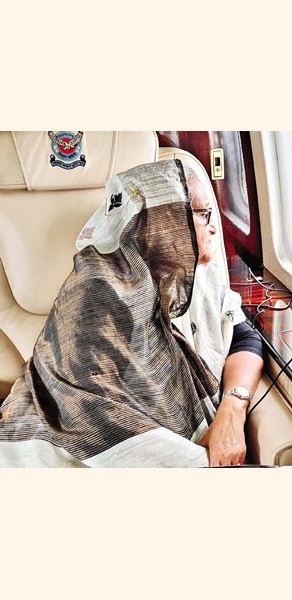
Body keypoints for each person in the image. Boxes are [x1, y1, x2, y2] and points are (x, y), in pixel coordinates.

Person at [0, 159, 263, 467]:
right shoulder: (96, 289)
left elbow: (244, 338)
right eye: (203, 214)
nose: (214, 226)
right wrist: (191, 460)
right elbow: (88, 408)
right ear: (165, 222)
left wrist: (232, 409)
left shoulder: (200, 277)